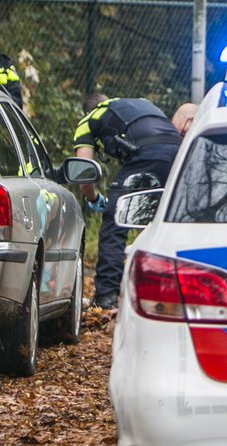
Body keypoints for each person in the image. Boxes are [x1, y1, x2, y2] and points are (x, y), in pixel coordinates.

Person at [73, 93, 182, 310]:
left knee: (116, 221)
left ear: (88, 110)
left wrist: (93, 198)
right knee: (168, 221)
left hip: (146, 154)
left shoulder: (89, 119)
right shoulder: (142, 104)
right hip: (181, 151)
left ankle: (106, 298)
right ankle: (170, 292)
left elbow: (83, 172)